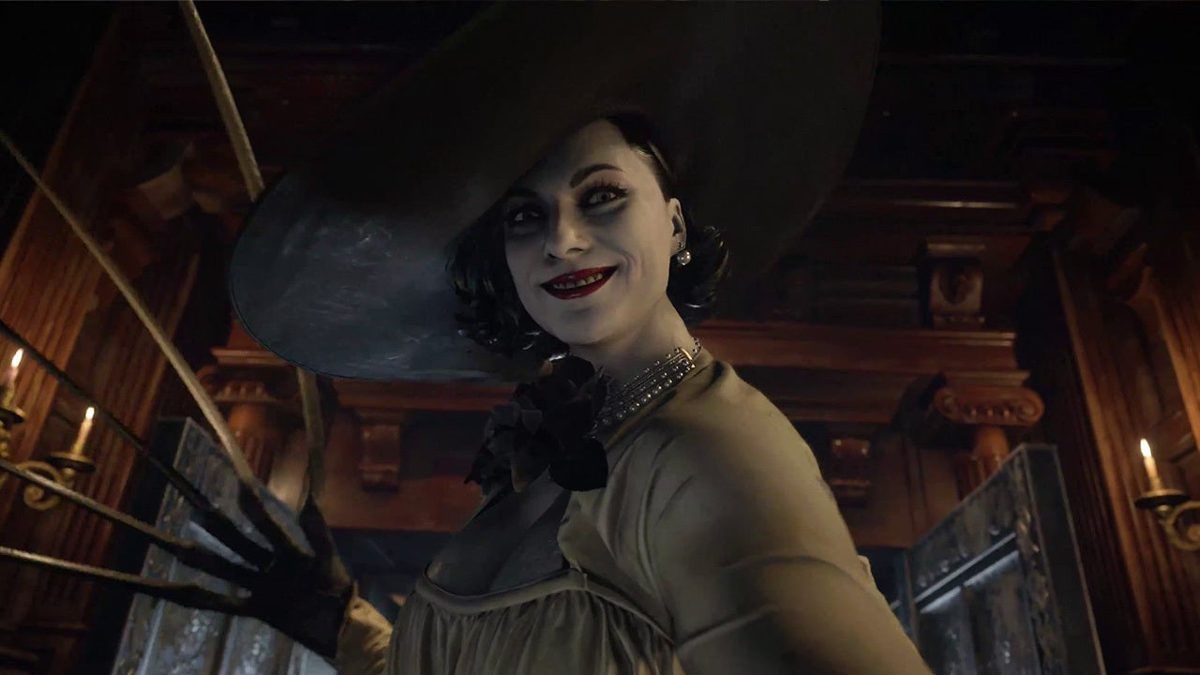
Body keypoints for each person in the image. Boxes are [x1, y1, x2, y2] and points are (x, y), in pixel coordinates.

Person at [225, 4, 934, 673]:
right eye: (525, 216)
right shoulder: (563, 447)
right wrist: (342, 628)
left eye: (601, 196)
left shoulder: (705, 455)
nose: (562, 240)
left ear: (675, 225)